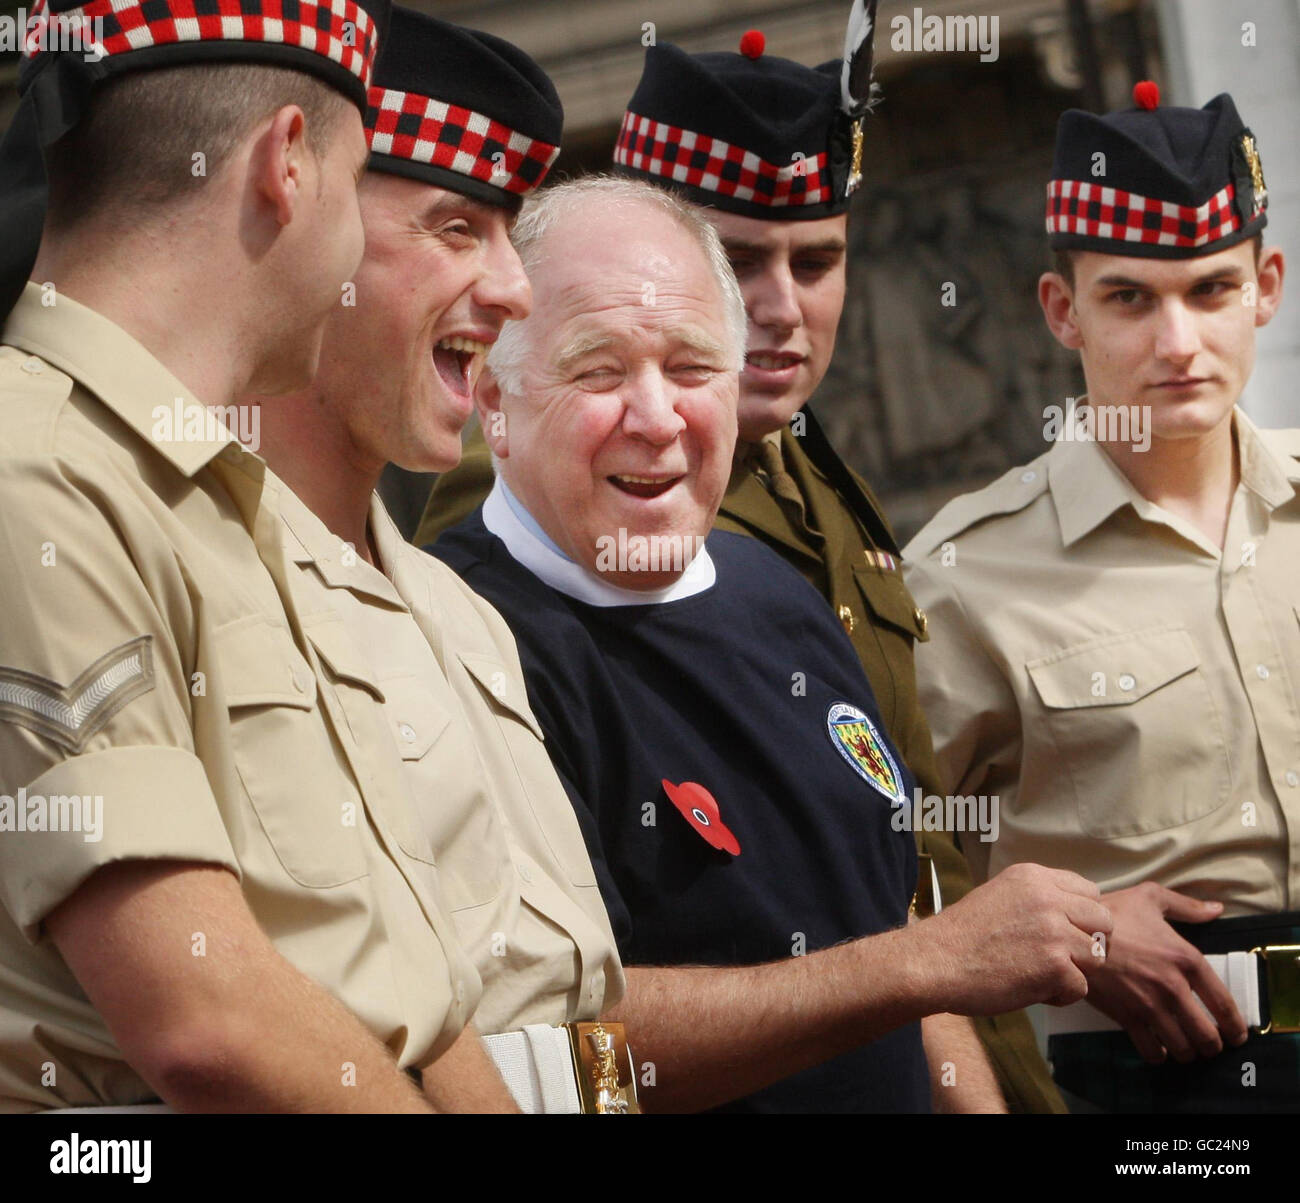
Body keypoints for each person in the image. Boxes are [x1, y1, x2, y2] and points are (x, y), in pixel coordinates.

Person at [414, 9, 1060, 1112]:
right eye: (599, 368)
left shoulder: (776, 591)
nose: (658, 418)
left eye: (691, 365)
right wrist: (917, 967)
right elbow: (556, 1053)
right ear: (491, 396)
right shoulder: (456, 642)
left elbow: (902, 923)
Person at [0, 0, 504, 1114]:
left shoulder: (221, 497)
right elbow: (204, 1021)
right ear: (287, 165)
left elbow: (406, 991)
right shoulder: (34, 475)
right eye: (359, 177)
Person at [247, 5, 630, 1114]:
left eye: (510, 233)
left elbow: (574, 996)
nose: (514, 289)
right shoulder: (212, 580)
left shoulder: (457, 607)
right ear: (307, 217)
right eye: (458, 228)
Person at [904, 82, 1297, 1112]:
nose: (1178, 344)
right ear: (1060, 309)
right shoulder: (962, 577)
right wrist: (1071, 930)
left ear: (1265, 285)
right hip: (1159, 1082)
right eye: (1130, 298)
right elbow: (885, 885)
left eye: (1209, 290)